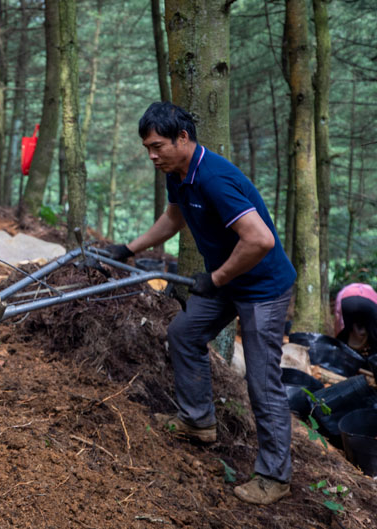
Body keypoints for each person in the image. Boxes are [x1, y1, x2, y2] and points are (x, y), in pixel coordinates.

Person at [105, 102, 296, 505]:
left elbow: (260, 240)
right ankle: (197, 422)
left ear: (183, 138)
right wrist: (129, 248)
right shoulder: (177, 173)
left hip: (262, 287)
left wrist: (217, 278)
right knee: (184, 333)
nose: (152, 156)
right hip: (229, 278)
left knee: (262, 382)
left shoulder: (213, 178)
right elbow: (173, 218)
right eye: (147, 148)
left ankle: (274, 477)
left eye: (158, 146)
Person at [334, 283, 377, 355]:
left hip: (346, 302)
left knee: (343, 334)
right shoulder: (371, 292)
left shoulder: (345, 290)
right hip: (370, 304)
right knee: (374, 336)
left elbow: (338, 320)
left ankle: (341, 356)